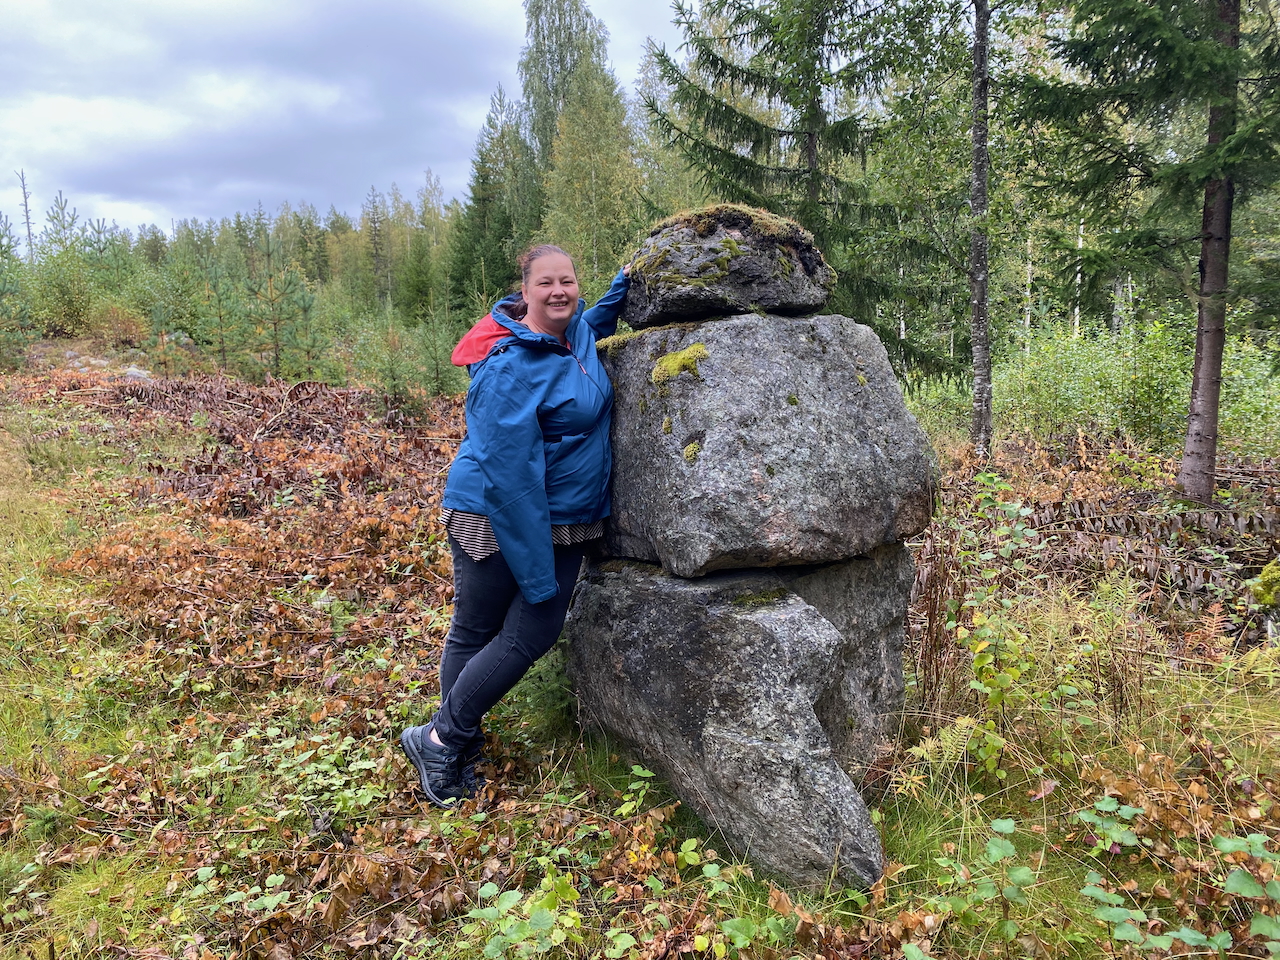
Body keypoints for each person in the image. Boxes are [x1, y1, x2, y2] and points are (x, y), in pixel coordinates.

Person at [400, 244, 630, 807]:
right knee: (526, 628)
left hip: (558, 513)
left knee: (480, 629)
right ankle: (442, 739)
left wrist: (628, 279)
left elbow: (591, 323)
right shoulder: (508, 369)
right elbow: (511, 480)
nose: (560, 292)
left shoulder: (574, 335)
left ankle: (453, 738)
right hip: (500, 513)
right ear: (523, 292)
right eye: (546, 284)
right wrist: (536, 574)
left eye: (568, 282)